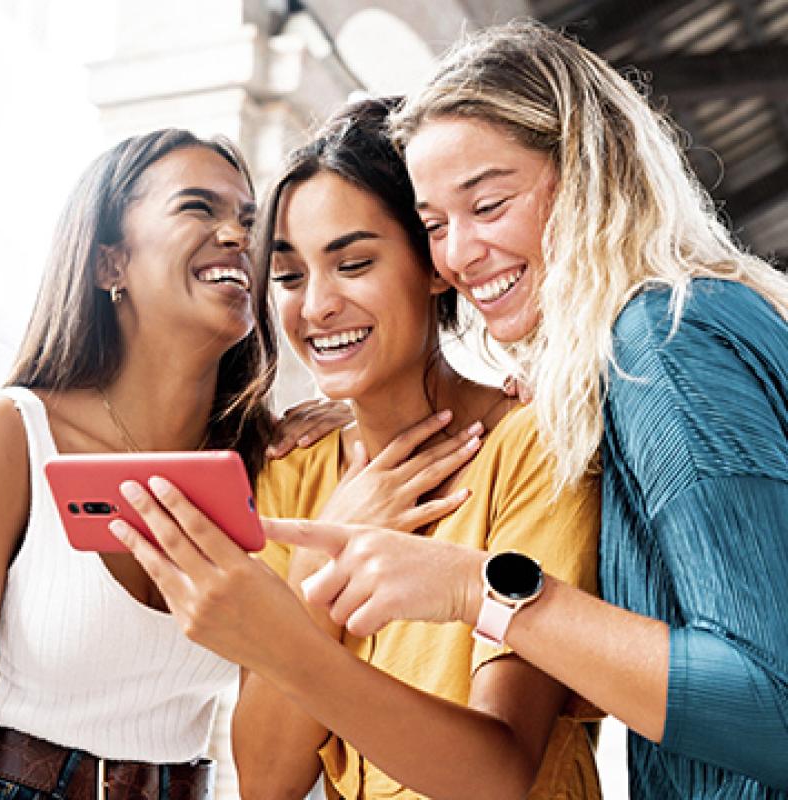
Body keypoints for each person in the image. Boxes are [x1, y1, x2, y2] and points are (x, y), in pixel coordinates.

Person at [257, 19, 788, 799]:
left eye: (490, 204)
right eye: (436, 224)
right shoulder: (665, 338)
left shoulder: (664, 340)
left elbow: (773, 706)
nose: (460, 254)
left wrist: (480, 589)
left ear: (587, 173)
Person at [109, 97, 602, 799]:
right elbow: (269, 780)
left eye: (354, 263)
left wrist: (296, 615)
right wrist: (318, 576)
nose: (314, 308)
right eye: (288, 276)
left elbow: (496, 776)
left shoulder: (532, 446)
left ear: (434, 263)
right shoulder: (294, 476)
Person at [0, 127, 349, 800]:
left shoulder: (272, 470)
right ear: (109, 265)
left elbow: (279, 760)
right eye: (198, 208)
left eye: (248, 220)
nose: (238, 236)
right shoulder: (14, 434)